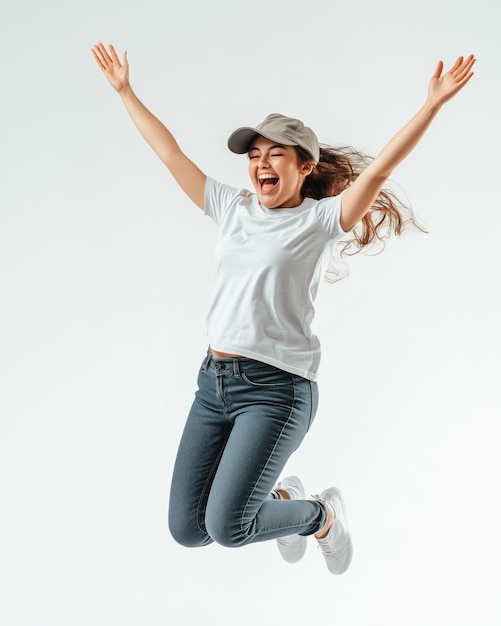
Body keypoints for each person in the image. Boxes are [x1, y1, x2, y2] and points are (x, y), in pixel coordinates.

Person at [91, 42, 475, 574]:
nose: (260, 164)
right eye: (253, 155)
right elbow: (171, 154)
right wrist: (126, 92)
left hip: (277, 390)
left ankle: (319, 515)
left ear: (304, 166)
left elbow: (380, 172)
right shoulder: (232, 207)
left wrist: (431, 105)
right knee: (187, 530)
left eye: (274, 154)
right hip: (213, 383)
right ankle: (283, 495)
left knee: (228, 528)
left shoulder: (319, 221)